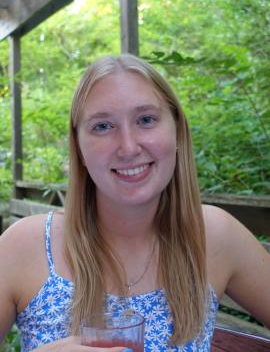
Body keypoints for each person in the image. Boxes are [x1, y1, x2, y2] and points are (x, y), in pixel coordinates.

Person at [0, 54, 269, 352]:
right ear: (79, 149)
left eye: (146, 120)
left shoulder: (214, 236)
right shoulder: (24, 246)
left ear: (177, 132)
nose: (128, 147)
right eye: (103, 126)